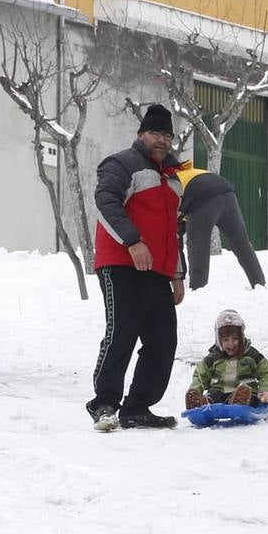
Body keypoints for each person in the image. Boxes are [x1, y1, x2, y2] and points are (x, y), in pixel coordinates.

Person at [85, 104, 186, 432]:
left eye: (168, 134)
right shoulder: (122, 164)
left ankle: (137, 406)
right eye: (156, 133)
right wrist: (132, 242)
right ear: (141, 134)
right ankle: (105, 405)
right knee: (122, 331)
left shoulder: (172, 179)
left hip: (157, 271)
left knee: (163, 339)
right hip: (121, 263)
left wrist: (177, 274)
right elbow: (106, 203)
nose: (162, 140)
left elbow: (174, 231)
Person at [176, 166, 266, 291]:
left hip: (201, 195)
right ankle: (259, 284)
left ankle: (198, 289)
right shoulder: (184, 173)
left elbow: (175, 232)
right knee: (241, 243)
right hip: (226, 191)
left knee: (198, 246)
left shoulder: (168, 183)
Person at [185, 309, 268, 409]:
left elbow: (266, 372)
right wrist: (196, 389)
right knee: (212, 397)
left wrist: (265, 390)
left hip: (246, 393)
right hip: (218, 392)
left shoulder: (251, 355)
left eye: (235, 339)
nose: (231, 344)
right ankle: (199, 403)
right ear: (219, 340)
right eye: (225, 340)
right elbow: (200, 375)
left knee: (248, 396)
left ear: (242, 337)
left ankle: (238, 402)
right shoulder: (213, 357)